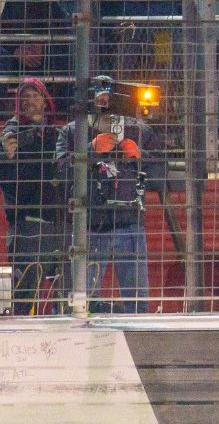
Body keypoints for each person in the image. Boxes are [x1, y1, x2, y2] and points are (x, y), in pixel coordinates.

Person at [56, 75, 166, 313]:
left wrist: (139, 157)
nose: (103, 98)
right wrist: (90, 151)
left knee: (136, 304)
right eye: (97, 93)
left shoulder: (139, 130)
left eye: (108, 93)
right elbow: (59, 174)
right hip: (91, 226)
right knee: (84, 302)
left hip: (129, 223)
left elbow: (161, 176)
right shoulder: (73, 131)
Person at [3, 79, 63, 314]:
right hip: (25, 223)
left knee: (62, 290)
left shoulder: (57, 132)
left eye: (34, 96)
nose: (29, 101)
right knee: (24, 291)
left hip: (56, 220)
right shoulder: (12, 133)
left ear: (46, 101)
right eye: (24, 97)